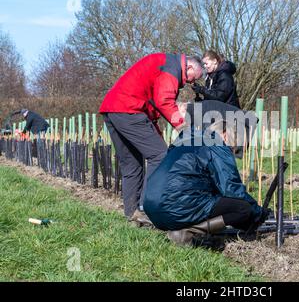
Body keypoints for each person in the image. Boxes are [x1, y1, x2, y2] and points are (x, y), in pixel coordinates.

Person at [99, 53, 204, 224]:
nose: (191, 83)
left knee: (132, 164)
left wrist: (158, 132)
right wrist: (184, 129)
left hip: (113, 109)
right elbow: (164, 101)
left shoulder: (164, 64)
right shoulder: (172, 66)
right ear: (190, 67)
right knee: (160, 156)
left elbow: (153, 103)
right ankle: (146, 208)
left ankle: (132, 214)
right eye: (194, 78)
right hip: (129, 109)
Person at [143, 120, 270, 246]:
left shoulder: (186, 142)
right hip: (176, 206)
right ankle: (188, 232)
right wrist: (257, 212)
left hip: (152, 208)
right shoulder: (216, 146)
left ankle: (195, 230)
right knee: (243, 209)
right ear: (225, 134)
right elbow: (232, 189)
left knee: (215, 200)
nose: (233, 149)